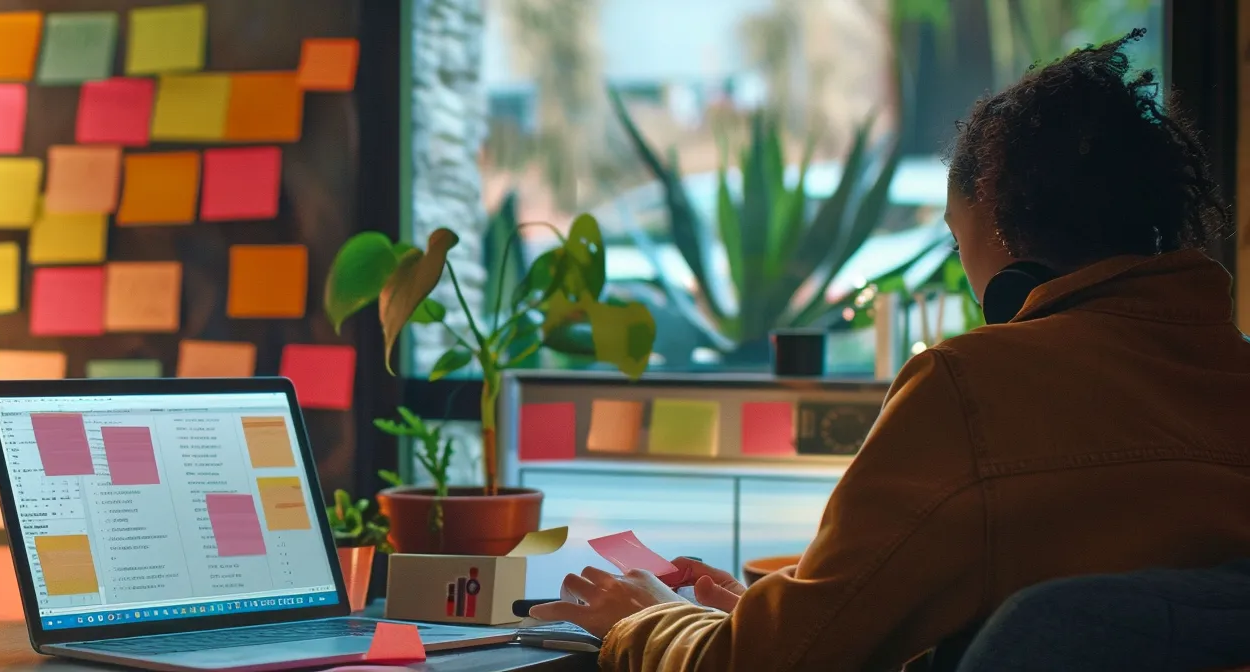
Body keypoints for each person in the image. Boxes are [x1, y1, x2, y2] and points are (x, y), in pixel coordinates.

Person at [531, 29, 1250, 670]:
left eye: (953, 230)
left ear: (993, 215)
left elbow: (768, 665)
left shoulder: (974, 388)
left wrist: (646, 617)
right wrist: (769, 609)